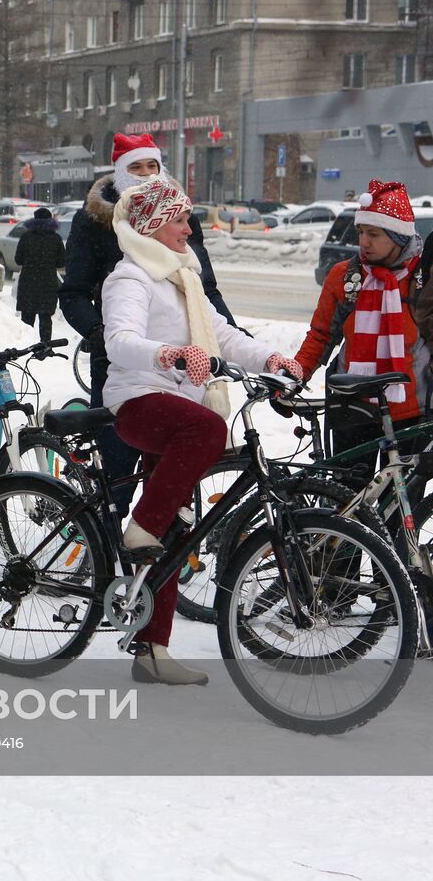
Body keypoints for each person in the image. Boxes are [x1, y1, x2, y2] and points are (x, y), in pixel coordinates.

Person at [100, 176, 299, 686]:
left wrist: (271, 356)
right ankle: (140, 528)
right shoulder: (131, 278)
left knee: (179, 529)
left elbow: (224, 335)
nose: (190, 228)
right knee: (208, 431)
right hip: (140, 398)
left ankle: (152, 649)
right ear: (152, 226)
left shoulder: (182, 278)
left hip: (177, 401)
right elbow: (120, 342)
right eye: (181, 219)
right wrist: (166, 353)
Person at [59, 132, 240, 513]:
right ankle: (110, 549)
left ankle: (160, 547)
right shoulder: (93, 221)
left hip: (182, 359)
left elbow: (203, 288)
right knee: (119, 468)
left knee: (173, 470)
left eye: (151, 166)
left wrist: (231, 335)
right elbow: (73, 291)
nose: (144, 174)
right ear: (120, 172)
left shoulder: (178, 215)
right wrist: (98, 332)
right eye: (135, 167)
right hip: (121, 355)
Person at [295, 180, 429, 488]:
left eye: (374, 233)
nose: (363, 242)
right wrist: (295, 376)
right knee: (346, 499)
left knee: (400, 505)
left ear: (398, 236)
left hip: (411, 409)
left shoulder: (422, 277)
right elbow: (320, 335)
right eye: (360, 232)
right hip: (352, 405)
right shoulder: (345, 276)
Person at [13, 207, 63, 343]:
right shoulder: (56, 238)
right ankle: (45, 345)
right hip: (48, 283)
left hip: (28, 282)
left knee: (27, 318)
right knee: (45, 318)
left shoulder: (26, 237)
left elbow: (18, 259)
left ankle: (26, 345)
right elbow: (61, 262)